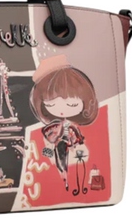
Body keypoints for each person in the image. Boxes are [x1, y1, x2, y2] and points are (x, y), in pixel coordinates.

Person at [29, 55, 98, 191]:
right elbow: (48, 148)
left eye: (72, 105)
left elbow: (81, 147)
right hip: (57, 154)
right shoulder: (52, 130)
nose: (61, 110)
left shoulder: (72, 130)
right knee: (58, 162)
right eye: (51, 104)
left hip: (74, 157)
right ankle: (63, 178)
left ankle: (66, 179)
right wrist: (49, 150)